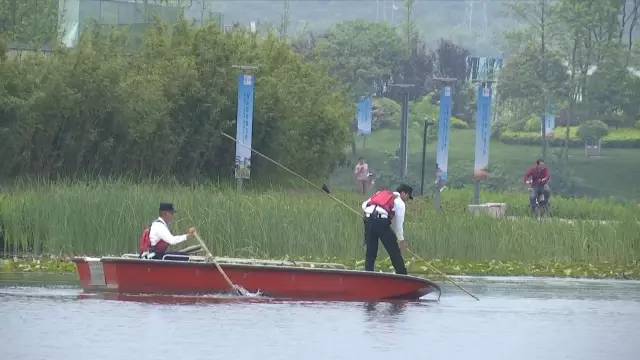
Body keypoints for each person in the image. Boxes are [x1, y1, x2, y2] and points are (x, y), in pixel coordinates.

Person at [361, 184, 413, 275]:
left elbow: (364, 205)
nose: (407, 200)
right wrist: (401, 241)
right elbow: (399, 225)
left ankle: (368, 274)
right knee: (394, 250)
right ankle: (402, 274)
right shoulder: (400, 202)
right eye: (408, 196)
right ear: (403, 193)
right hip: (381, 222)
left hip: (368, 220)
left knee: (371, 251)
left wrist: (371, 215)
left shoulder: (380, 193)